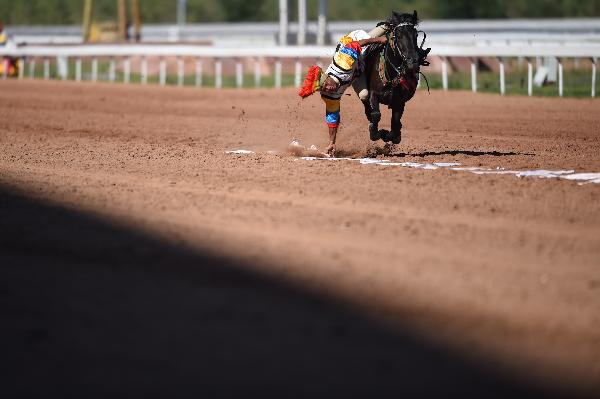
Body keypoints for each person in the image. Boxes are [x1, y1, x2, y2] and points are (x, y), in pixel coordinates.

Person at [299, 25, 389, 156]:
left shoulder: (343, 63)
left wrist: (379, 40)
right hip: (356, 70)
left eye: (327, 85)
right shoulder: (328, 96)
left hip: (353, 43)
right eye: (324, 89)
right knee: (364, 95)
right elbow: (332, 118)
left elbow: (356, 44)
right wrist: (332, 142)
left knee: (370, 42)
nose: (329, 89)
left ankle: (387, 25)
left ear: (327, 77)